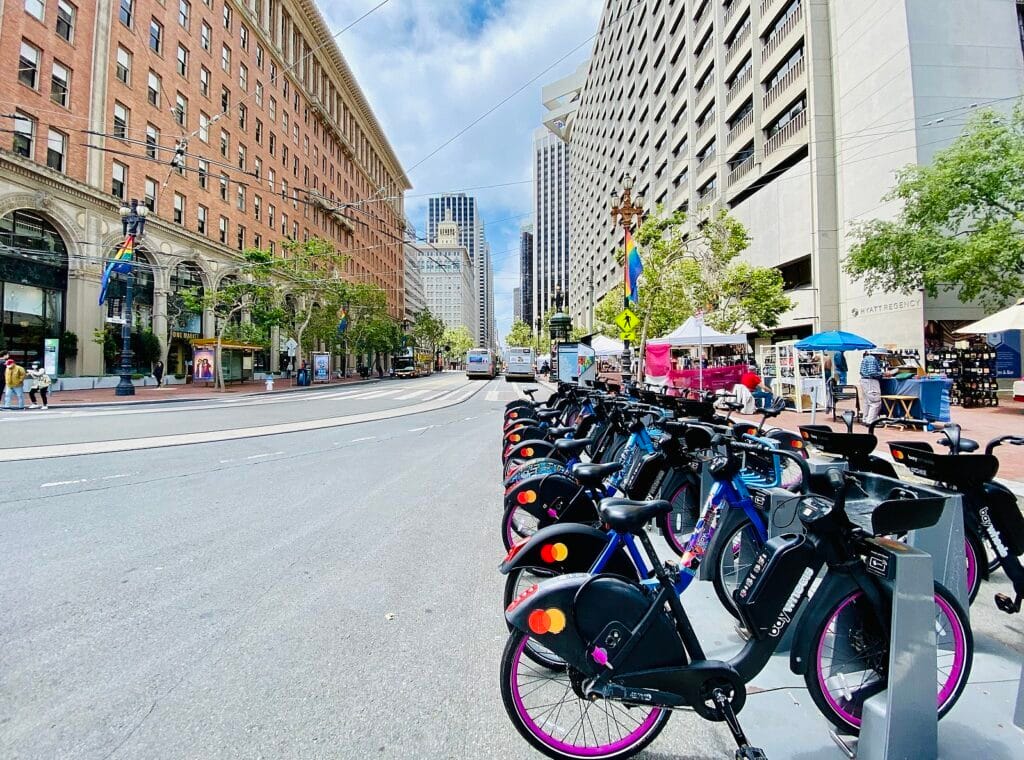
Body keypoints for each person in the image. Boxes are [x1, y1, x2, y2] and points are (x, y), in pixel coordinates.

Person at [859, 350, 888, 425]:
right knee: (875, 402)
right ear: (879, 354)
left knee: (867, 402)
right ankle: (871, 421)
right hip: (871, 381)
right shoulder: (872, 359)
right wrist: (883, 374)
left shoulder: (867, 358)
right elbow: (872, 373)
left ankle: (866, 419)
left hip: (865, 380)